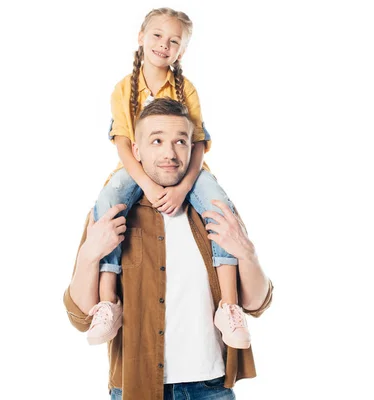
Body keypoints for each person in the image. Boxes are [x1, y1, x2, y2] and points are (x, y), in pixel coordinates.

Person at [64, 98, 273, 400]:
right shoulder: (114, 213)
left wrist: (247, 253)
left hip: (211, 388)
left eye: (180, 141)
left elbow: (256, 304)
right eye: (157, 140)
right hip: (135, 387)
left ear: (193, 148)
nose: (170, 153)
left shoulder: (213, 210)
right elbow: (81, 317)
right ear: (136, 151)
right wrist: (88, 254)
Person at [87, 7, 252, 351]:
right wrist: (147, 184)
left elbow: (199, 142)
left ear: (182, 51)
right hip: (137, 167)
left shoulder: (186, 89)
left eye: (174, 41)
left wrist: (183, 186)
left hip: (188, 170)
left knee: (220, 206)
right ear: (141, 38)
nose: (164, 45)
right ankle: (107, 304)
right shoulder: (123, 89)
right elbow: (122, 143)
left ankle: (229, 308)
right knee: (107, 203)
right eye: (158, 36)